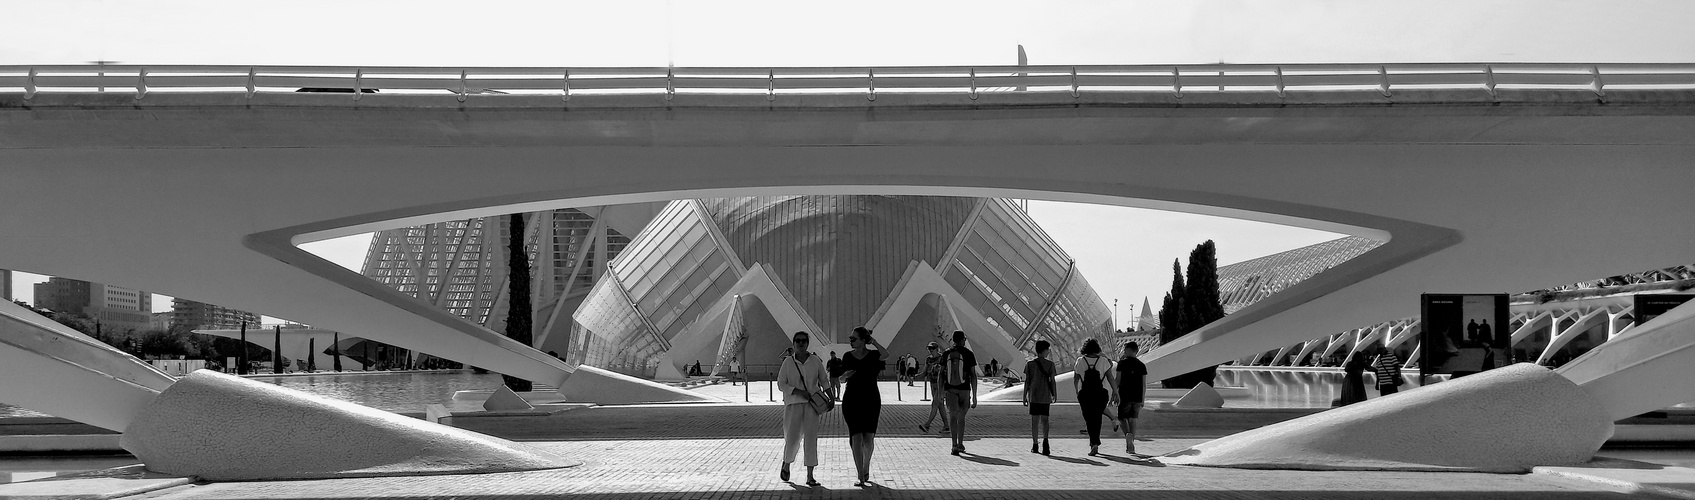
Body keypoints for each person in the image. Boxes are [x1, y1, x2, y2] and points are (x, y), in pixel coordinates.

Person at [776, 331, 830, 487]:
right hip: (793, 404)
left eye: (803, 341)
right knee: (792, 439)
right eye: (797, 341)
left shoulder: (815, 361)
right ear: (793, 343)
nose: (800, 343)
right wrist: (798, 391)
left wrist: (831, 397)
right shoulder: (788, 362)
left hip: (811, 405)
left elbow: (824, 380)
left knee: (811, 439)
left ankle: (810, 475)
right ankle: (787, 463)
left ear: (807, 343)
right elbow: (781, 384)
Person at [837, 326, 887, 487]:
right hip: (852, 400)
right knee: (856, 437)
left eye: (854, 339)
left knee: (868, 438)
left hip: (871, 399)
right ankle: (860, 475)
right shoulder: (847, 357)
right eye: (850, 338)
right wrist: (844, 376)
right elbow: (841, 380)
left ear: (863, 340)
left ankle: (866, 467)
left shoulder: (873, 355)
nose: (850, 341)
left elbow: (886, 354)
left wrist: (874, 342)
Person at [1073, 338, 1117, 456]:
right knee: (1097, 418)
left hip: (1085, 394)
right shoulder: (1103, 361)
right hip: (1100, 394)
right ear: (1097, 349)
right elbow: (1110, 377)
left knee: (1089, 419)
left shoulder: (1080, 361)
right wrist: (1115, 392)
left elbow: (1076, 379)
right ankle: (1095, 443)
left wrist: (1077, 393)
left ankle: (1094, 443)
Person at [940, 330, 978, 455]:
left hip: (950, 388)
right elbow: (973, 375)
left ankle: (954, 445)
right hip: (965, 389)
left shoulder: (947, 353)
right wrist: (975, 396)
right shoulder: (969, 354)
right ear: (963, 340)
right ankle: (961, 443)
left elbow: (941, 373)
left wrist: (940, 392)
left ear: (953, 340)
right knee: (961, 417)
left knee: (953, 416)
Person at [1022, 339, 1058, 455]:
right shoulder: (1050, 365)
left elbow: (1027, 381)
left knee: (1034, 421)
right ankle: (1046, 443)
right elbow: (1052, 381)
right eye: (1048, 349)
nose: (1048, 352)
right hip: (1045, 395)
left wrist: (1024, 396)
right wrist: (1055, 394)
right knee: (1045, 420)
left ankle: (1035, 444)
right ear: (1044, 350)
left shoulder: (1030, 364)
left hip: (1033, 395)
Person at [1115, 341, 1148, 456]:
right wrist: (1143, 399)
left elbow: (1117, 380)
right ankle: (1131, 443)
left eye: (1125, 349)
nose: (1123, 352)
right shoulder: (1142, 365)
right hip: (1137, 396)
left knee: (1122, 418)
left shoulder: (1122, 364)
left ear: (1129, 350)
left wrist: (1114, 393)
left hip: (1124, 395)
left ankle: (1128, 435)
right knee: (1133, 419)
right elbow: (1144, 384)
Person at [917, 341, 950, 434]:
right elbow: (924, 372)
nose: (930, 350)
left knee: (935, 403)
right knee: (940, 405)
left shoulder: (942, 358)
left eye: (932, 348)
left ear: (937, 349)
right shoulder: (928, 359)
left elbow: (945, 371)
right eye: (929, 348)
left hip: (941, 384)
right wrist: (918, 376)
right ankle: (946, 426)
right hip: (932, 383)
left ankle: (927, 425)